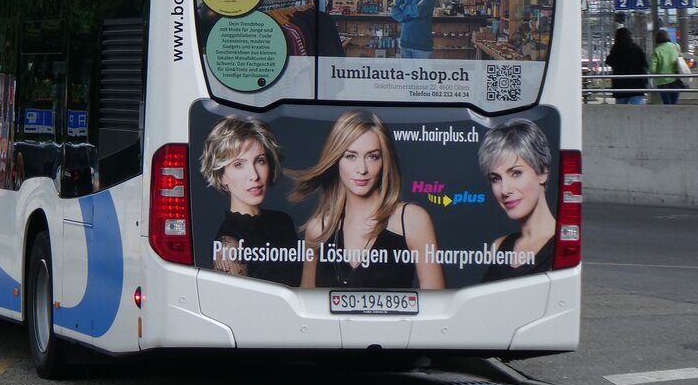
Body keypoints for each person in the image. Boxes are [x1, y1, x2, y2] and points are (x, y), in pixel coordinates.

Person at [287, 110, 445, 290]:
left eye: (372, 156)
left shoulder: (411, 220)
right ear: (336, 160)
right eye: (351, 156)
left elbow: (437, 301)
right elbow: (307, 303)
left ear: (384, 161)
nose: (362, 169)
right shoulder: (318, 229)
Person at [199, 116, 301, 286]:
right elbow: (237, 301)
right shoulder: (228, 245)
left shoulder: (282, 222)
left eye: (260, 161)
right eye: (239, 164)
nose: (254, 175)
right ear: (221, 175)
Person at [478, 119, 556, 282]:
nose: (505, 190)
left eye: (516, 173)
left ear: (543, 173)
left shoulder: (561, 247)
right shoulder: (499, 247)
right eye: (495, 178)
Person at [605, 27, 649, 105]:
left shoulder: (615, 51)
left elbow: (608, 61)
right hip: (636, 85)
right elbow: (645, 65)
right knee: (637, 110)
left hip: (620, 86)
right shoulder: (637, 50)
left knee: (621, 110)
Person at [649, 29, 685, 106]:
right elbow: (680, 61)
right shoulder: (676, 46)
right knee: (674, 104)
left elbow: (652, 69)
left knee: (667, 104)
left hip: (662, 82)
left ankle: (669, 113)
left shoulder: (657, 51)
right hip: (676, 80)